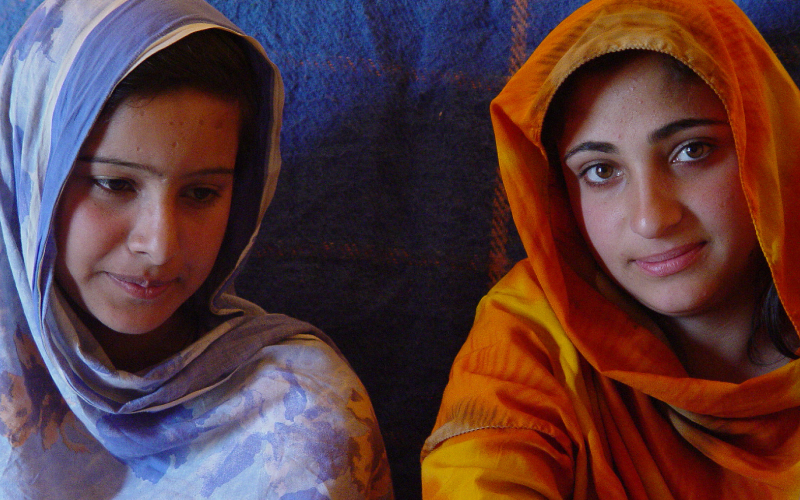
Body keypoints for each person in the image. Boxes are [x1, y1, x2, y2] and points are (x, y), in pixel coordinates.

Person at [0, 0, 393, 498]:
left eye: (201, 193)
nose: (160, 246)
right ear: (32, 182)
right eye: (115, 183)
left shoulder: (299, 422)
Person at [421, 0, 800, 497]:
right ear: (560, 195)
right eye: (601, 171)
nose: (652, 218)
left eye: (692, 151)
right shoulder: (532, 337)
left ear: (768, 147)